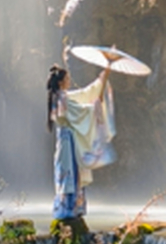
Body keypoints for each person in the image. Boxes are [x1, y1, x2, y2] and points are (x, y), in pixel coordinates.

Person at [47, 61, 116, 221]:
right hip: (69, 142)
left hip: (66, 140)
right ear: (60, 82)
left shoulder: (59, 97)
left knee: (70, 174)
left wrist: (102, 79)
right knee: (71, 173)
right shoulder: (61, 98)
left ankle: (69, 209)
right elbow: (79, 111)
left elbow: (84, 94)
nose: (69, 81)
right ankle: (69, 209)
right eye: (67, 79)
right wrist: (95, 107)